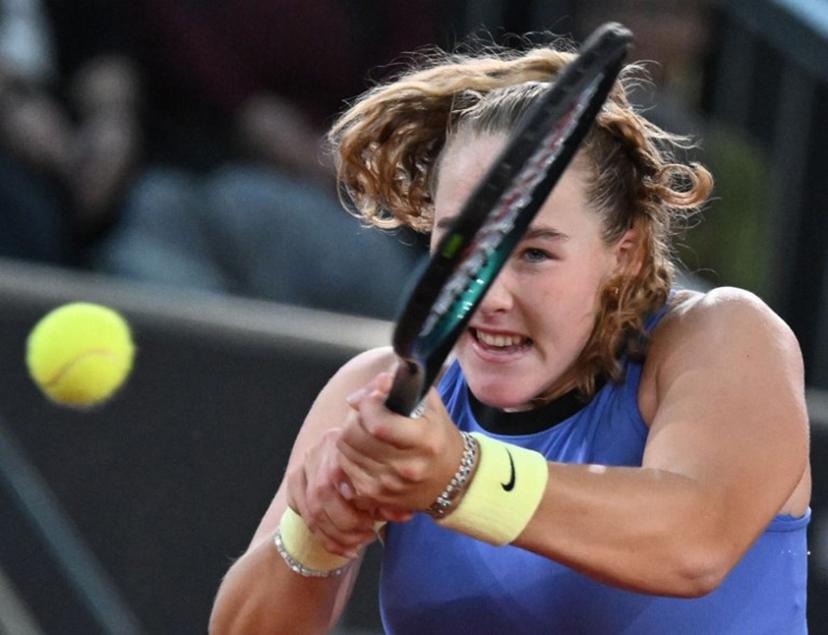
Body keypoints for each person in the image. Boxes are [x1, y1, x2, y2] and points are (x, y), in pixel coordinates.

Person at [209, 34, 811, 634]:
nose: (487, 295)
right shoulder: (373, 393)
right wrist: (317, 535)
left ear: (623, 254)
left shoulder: (723, 336)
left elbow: (695, 543)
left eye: (535, 254)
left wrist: (460, 477)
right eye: (461, 248)